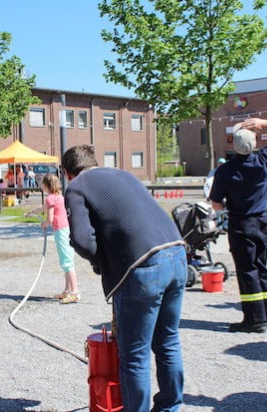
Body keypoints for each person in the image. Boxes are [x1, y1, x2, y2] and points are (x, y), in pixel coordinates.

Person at [62, 144, 187, 411]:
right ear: (95, 162)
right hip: (177, 253)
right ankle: (170, 407)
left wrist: (101, 264)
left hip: (143, 267)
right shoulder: (124, 174)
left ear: (67, 172)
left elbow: (82, 240)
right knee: (167, 340)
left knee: (134, 355)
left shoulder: (76, 187)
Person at [209, 117, 267, 333]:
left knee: (247, 271)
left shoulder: (224, 171)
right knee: (261, 267)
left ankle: (253, 320)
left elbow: (216, 205)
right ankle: (263, 314)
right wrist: (262, 122)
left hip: (240, 224)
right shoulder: (264, 159)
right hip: (261, 221)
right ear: (254, 143)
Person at [27, 174, 80, 303]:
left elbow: (50, 219)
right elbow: (44, 208)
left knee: (67, 262)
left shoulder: (50, 198)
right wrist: (32, 212)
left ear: (45, 186)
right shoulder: (58, 197)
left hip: (60, 231)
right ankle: (67, 290)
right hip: (66, 229)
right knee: (66, 260)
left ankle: (75, 292)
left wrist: (43, 224)